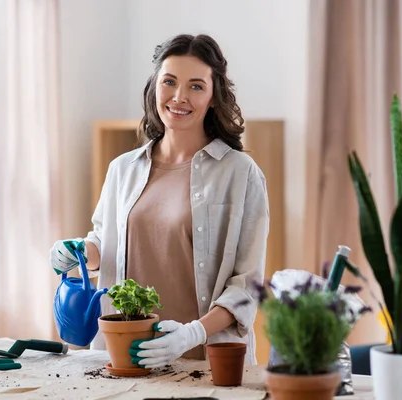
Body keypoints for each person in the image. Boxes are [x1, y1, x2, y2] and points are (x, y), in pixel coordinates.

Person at [50, 33, 269, 367]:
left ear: (213, 97)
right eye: (169, 82)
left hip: (202, 362)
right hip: (123, 356)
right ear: (155, 87)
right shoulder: (122, 168)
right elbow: (105, 243)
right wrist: (77, 252)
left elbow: (247, 285)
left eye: (196, 86)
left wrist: (192, 334)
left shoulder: (240, 173)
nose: (179, 97)